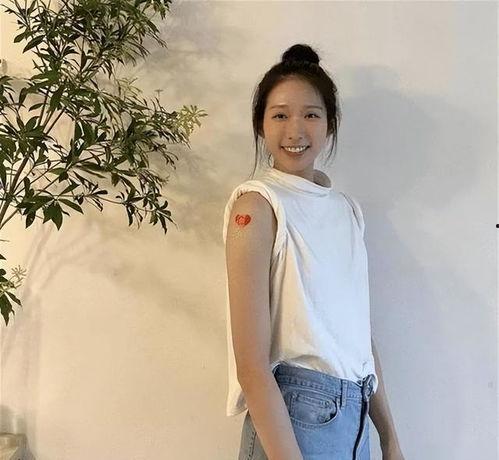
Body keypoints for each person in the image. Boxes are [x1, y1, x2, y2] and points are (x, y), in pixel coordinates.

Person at [223, 43, 405, 460]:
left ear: (330, 124)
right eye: (280, 115)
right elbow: (251, 365)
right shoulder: (258, 205)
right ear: (260, 125)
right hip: (295, 417)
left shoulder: (347, 210)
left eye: (310, 114)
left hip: (356, 415)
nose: (295, 130)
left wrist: (389, 439)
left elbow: (358, 335)